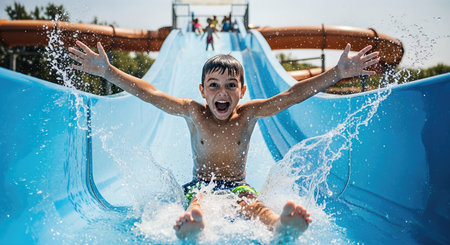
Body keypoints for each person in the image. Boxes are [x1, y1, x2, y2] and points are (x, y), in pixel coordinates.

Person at [68, 41, 379, 238]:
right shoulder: (193, 112)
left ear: (242, 91)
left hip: (237, 186)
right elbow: (152, 94)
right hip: (200, 185)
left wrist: (336, 74)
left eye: (231, 85)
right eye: (213, 85)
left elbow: (291, 95)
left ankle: (280, 227)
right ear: (202, 91)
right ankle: (194, 225)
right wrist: (109, 73)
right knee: (199, 201)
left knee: (253, 205)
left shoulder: (249, 114)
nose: (222, 92)